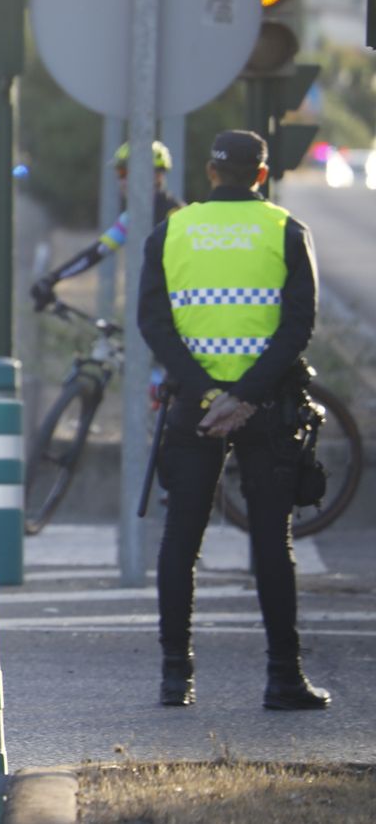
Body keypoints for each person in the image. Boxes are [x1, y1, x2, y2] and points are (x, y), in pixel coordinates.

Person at [138, 129, 330, 712]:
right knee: (272, 540)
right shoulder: (287, 230)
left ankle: (175, 678)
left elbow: (153, 323)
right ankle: (283, 679)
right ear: (262, 174)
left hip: (195, 410)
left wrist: (207, 393)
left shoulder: (171, 231)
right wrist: (245, 395)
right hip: (266, 407)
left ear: (210, 172)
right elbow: (299, 325)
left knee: (180, 539)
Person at [31, 140, 186, 309]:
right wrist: (52, 279)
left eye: (125, 173)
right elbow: (97, 252)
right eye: (119, 173)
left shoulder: (177, 214)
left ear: (155, 176)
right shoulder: (133, 218)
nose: (121, 181)